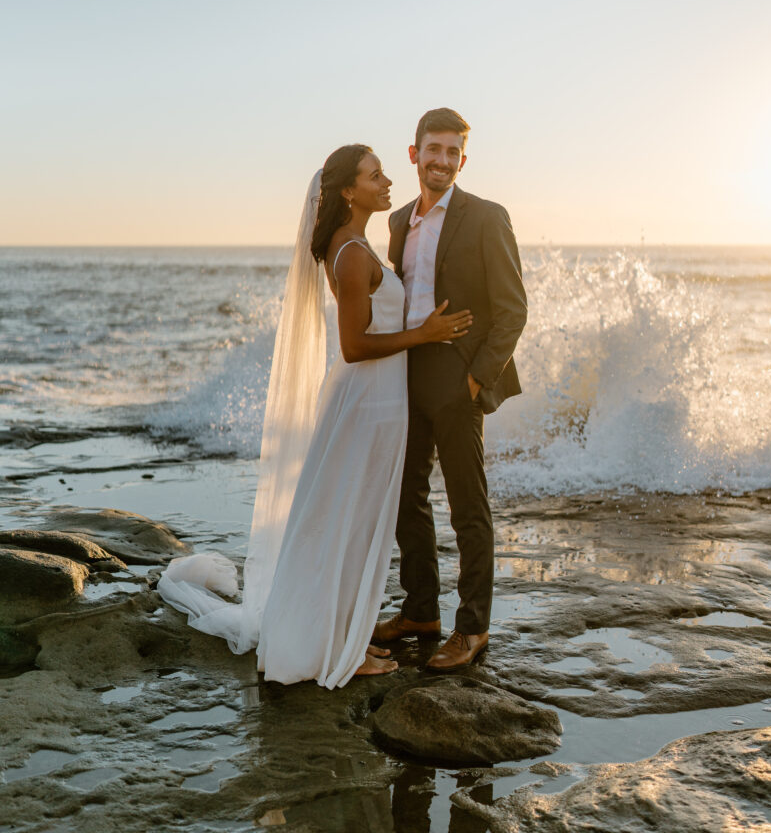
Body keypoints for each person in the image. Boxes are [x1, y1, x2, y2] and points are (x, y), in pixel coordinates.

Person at [157, 144, 472, 687]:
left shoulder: (356, 244)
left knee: (352, 523)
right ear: (349, 190)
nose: (388, 181)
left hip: (379, 405)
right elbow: (353, 346)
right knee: (344, 526)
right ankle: (332, 648)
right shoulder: (350, 253)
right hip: (366, 406)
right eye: (376, 175)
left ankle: (340, 634)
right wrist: (424, 334)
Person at [373, 108, 527, 670]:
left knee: (468, 505)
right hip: (404, 372)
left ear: (463, 159)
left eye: (452, 152)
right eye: (432, 150)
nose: (441, 161)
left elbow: (513, 310)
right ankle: (421, 612)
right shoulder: (395, 221)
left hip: (457, 378)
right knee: (404, 495)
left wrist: (476, 377)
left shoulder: (487, 217)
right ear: (413, 154)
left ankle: (472, 628)